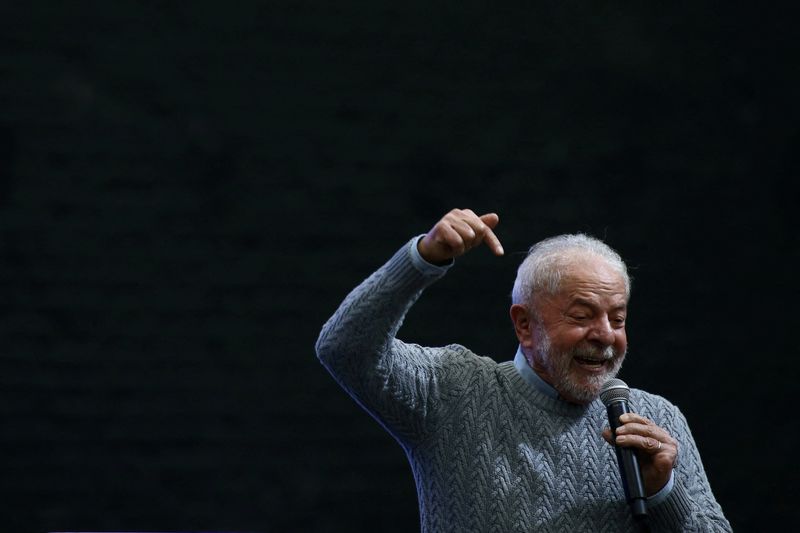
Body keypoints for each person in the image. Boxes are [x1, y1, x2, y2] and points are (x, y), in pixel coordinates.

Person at [316, 208, 731, 532]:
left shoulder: (654, 420)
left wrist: (663, 491)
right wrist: (421, 260)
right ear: (525, 325)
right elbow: (344, 348)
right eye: (583, 315)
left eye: (618, 318)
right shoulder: (453, 392)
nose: (605, 335)